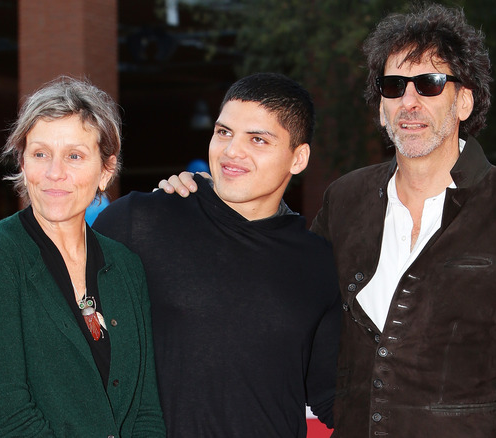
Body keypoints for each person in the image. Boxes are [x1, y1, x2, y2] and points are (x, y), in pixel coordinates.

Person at [161, 5, 496, 437]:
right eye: (394, 86)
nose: (408, 102)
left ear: (464, 101)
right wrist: (213, 204)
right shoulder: (347, 199)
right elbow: (287, 273)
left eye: (429, 84)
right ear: (381, 107)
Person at [93, 73, 340, 437]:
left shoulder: (318, 262)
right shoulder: (141, 221)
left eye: (258, 139)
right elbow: (66, 341)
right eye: (224, 132)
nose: (232, 151)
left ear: (298, 158)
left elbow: (332, 395)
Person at [0, 76, 165, 437]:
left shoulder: (126, 266)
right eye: (40, 154)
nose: (54, 174)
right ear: (22, 161)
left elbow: (146, 410)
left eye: (75, 156)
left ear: (106, 169)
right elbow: (5, 416)